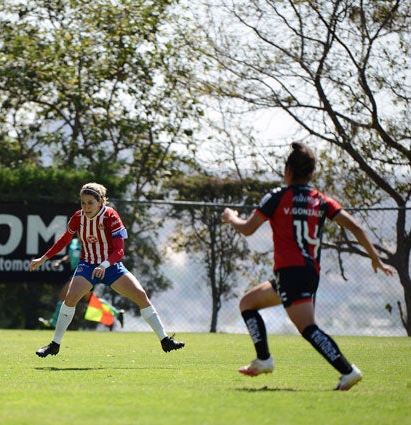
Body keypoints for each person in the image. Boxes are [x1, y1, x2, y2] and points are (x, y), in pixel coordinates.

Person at [221, 142, 395, 390]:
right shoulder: (321, 200)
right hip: (307, 272)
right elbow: (356, 227)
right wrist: (375, 258)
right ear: (311, 173)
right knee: (248, 303)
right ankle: (263, 359)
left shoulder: (278, 197)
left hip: (291, 271)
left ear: (288, 171)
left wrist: (231, 217)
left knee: (308, 329)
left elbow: (248, 229)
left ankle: (348, 371)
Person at [29, 182, 184, 357]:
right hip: (87, 265)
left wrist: (104, 265)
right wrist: (43, 258)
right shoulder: (78, 218)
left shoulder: (111, 216)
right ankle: (54, 344)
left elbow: (119, 251)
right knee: (70, 298)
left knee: (141, 296)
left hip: (111, 266)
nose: (86, 207)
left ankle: (165, 341)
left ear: (101, 202)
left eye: (90, 203)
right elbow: (64, 240)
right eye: (83, 203)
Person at [38, 237, 83, 329]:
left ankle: (54, 322)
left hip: (83, 272)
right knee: (91, 300)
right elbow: (70, 256)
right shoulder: (74, 242)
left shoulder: (88, 243)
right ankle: (116, 312)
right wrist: (60, 261)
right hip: (74, 272)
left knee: (64, 296)